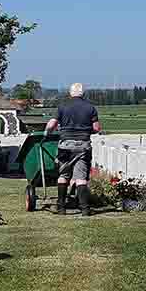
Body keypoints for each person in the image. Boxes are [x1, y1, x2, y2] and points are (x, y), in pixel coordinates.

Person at [45, 83, 100, 215]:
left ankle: (61, 208)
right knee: (81, 178)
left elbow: (52, 124)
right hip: (83, 146)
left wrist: (47, 132)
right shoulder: (90, 107)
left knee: (63, 175)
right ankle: (85, 209)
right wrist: (86, 131)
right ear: (83, 94)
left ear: (70, 93)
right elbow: (97, 128)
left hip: (65, 146)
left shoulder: (62, 106)